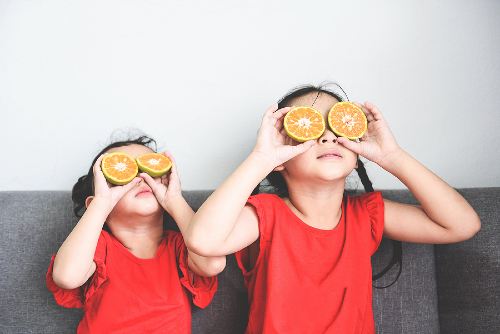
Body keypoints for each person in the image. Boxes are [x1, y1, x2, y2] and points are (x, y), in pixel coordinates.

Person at [185, 85, 481, 333]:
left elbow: (462, 224)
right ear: (281, 157)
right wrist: (261, 158)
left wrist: (392, 156)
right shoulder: (265, 215)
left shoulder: (366, 216)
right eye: (308, 126)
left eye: (337, 125)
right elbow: (203, 240)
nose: (327, 136)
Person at [46, 135, 225, 333]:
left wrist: (174, 199)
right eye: (124, 173)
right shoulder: (101, 247)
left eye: (150, 169)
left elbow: (212, 263)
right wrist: (100, 205)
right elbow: (67, 277)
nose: (141, 178)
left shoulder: (179, 247)